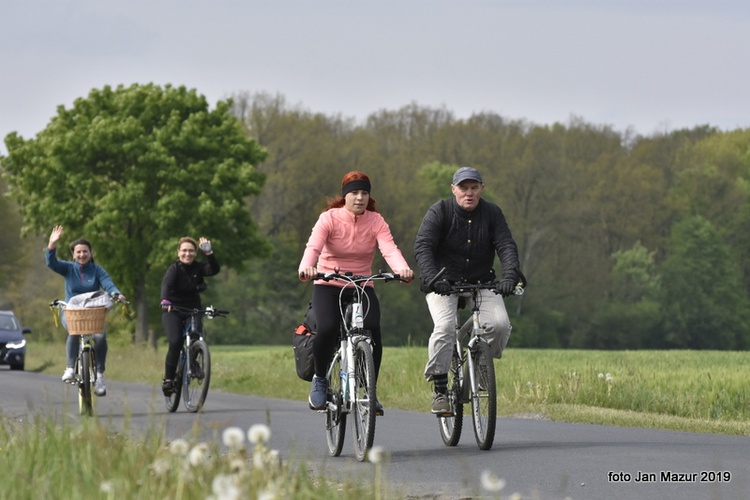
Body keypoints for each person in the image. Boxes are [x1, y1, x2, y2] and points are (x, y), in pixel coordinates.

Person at [298, 171, 414, 414]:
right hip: (328, 283)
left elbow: (389, 248)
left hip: (362, 284)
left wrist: (401, 269)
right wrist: (307, 267)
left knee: (373, 329)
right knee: (328, 328)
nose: (359, 198)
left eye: (364, 193)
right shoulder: (328, 218)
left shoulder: (376, 221)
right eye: (354, 193)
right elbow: (314, 246)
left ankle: (368, 390)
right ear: (345, 196)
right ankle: (320, 380)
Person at [414, 166, 521, 414]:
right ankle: (440, 388)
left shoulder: (492, 213)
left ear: (482, 189)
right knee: (445, 328)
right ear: (454, 190)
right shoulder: (439, 211)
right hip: (443, 284)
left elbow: (505, 245)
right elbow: (423, 246)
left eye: (474, 188)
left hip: (482, 281)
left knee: (499, 324)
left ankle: (481, 363)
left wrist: (510, 276)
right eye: (463, 188)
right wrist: (432, 278)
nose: (469, 193)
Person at [46, 225, 127, 396]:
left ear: (90, 253)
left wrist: (117, 294)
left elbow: (108, 284)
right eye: (78, 252)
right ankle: (69, 368)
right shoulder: (68, 268)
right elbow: (51, 263)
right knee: (74, 332)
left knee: (101, 337)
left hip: (93, 313)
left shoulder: (97, 270)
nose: (82, 255)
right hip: (72, 312)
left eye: (85, 251)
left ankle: (99, 374)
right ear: (73, 255)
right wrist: (52, 245)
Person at [160, 236, 220, 396]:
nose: (188, 254)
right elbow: (166, 284)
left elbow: (214, 270)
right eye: (184, 250)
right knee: (176, 341)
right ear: (178, 252)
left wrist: (209, 253)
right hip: (172, 310)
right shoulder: (175, 268)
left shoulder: (199, 268)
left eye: (191, 251)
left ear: (196, 252)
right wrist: (165, 300)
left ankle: (193, 364)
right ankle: (168, 379)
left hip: (193, 309)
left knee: (195, 336)